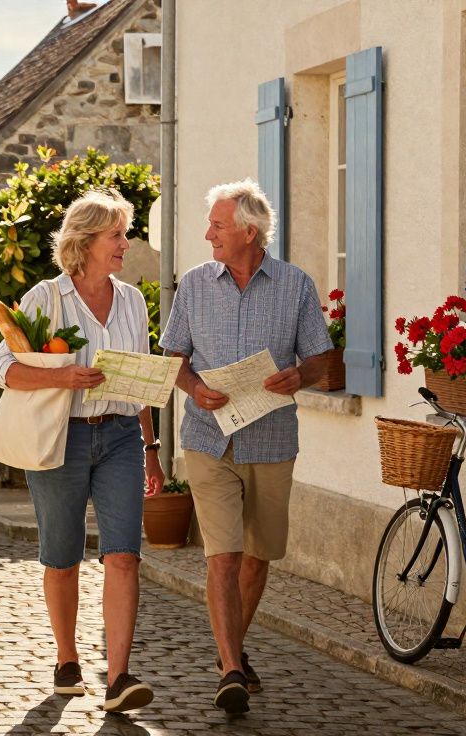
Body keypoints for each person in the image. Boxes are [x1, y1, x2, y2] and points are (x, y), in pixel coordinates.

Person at [158, 179, 332, 715]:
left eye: (217, 225)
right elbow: (174, 360)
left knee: (258, 556)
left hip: (273, 439)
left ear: (248, 232)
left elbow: (324, 361)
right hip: (208, 438)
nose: (208, 233)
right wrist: (195, 389)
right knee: (223, 555)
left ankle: (232, 649)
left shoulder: (295, 285)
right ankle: (231, 667)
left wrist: (297, 376)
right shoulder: (193, 285)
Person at [0, 189, 165, 713]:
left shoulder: (132, 300)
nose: (126, 244)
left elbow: (144, 383)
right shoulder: (47, 298)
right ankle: (68, 660)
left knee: (124, 556)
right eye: (118, 235)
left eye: (125, 234)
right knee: (62, 558)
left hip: (121, 440)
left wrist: (151, 449)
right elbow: (2, 367)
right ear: (85, 241)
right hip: (61, 437)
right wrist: (63, 376)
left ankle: (118, 677)